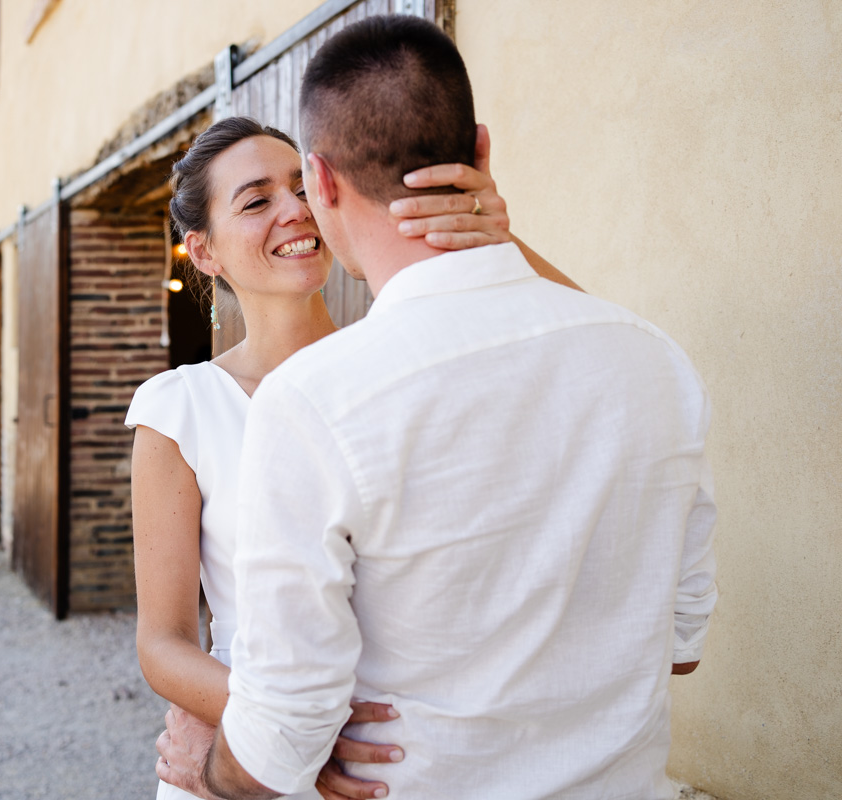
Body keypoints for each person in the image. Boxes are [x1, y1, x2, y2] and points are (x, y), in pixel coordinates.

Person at [167, 15, 718, 800]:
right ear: (482, 153)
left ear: (321, 183)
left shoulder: (317, 398)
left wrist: (207, 772)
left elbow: (284, 725)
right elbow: (682, 644)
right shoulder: (657, 361)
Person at [128, 110, 578, 798]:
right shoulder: (180, 409)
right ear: (205, 251)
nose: (294, 209)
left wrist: (495, 234)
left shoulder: (407, 356)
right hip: (258, 749)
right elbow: (163, 644)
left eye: (303, 186)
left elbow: (590, 345)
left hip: (406, 753)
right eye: (256, 200)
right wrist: (303, 727)